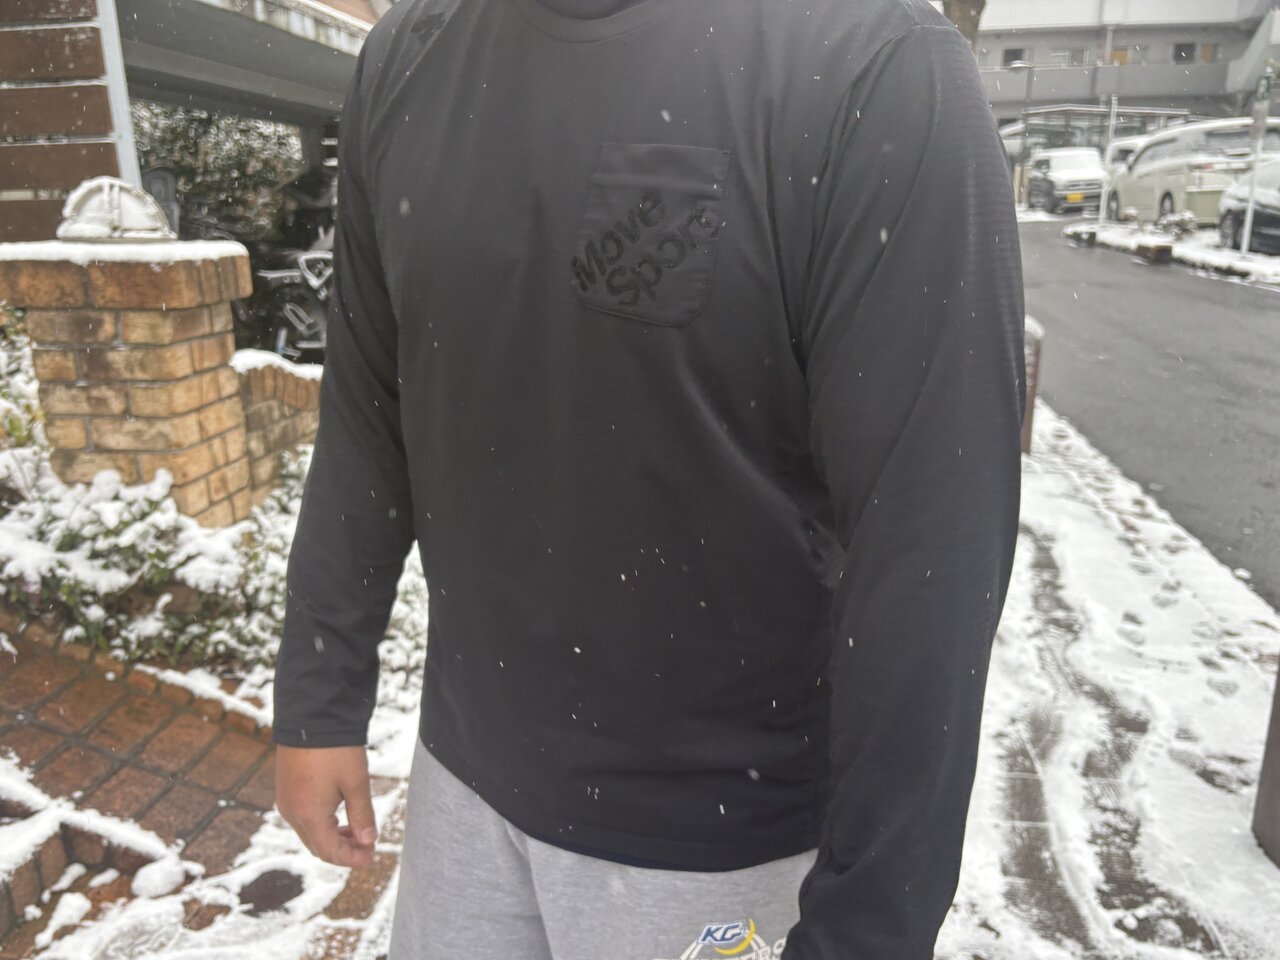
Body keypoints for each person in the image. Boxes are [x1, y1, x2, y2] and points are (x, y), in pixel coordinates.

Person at [271, 0, 1026, 955]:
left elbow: (930, 538)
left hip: (721, 844)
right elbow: (369, 399)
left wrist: (870, 926)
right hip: (462, 784)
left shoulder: (873, 63)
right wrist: (318, 695)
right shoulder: (408, 56)